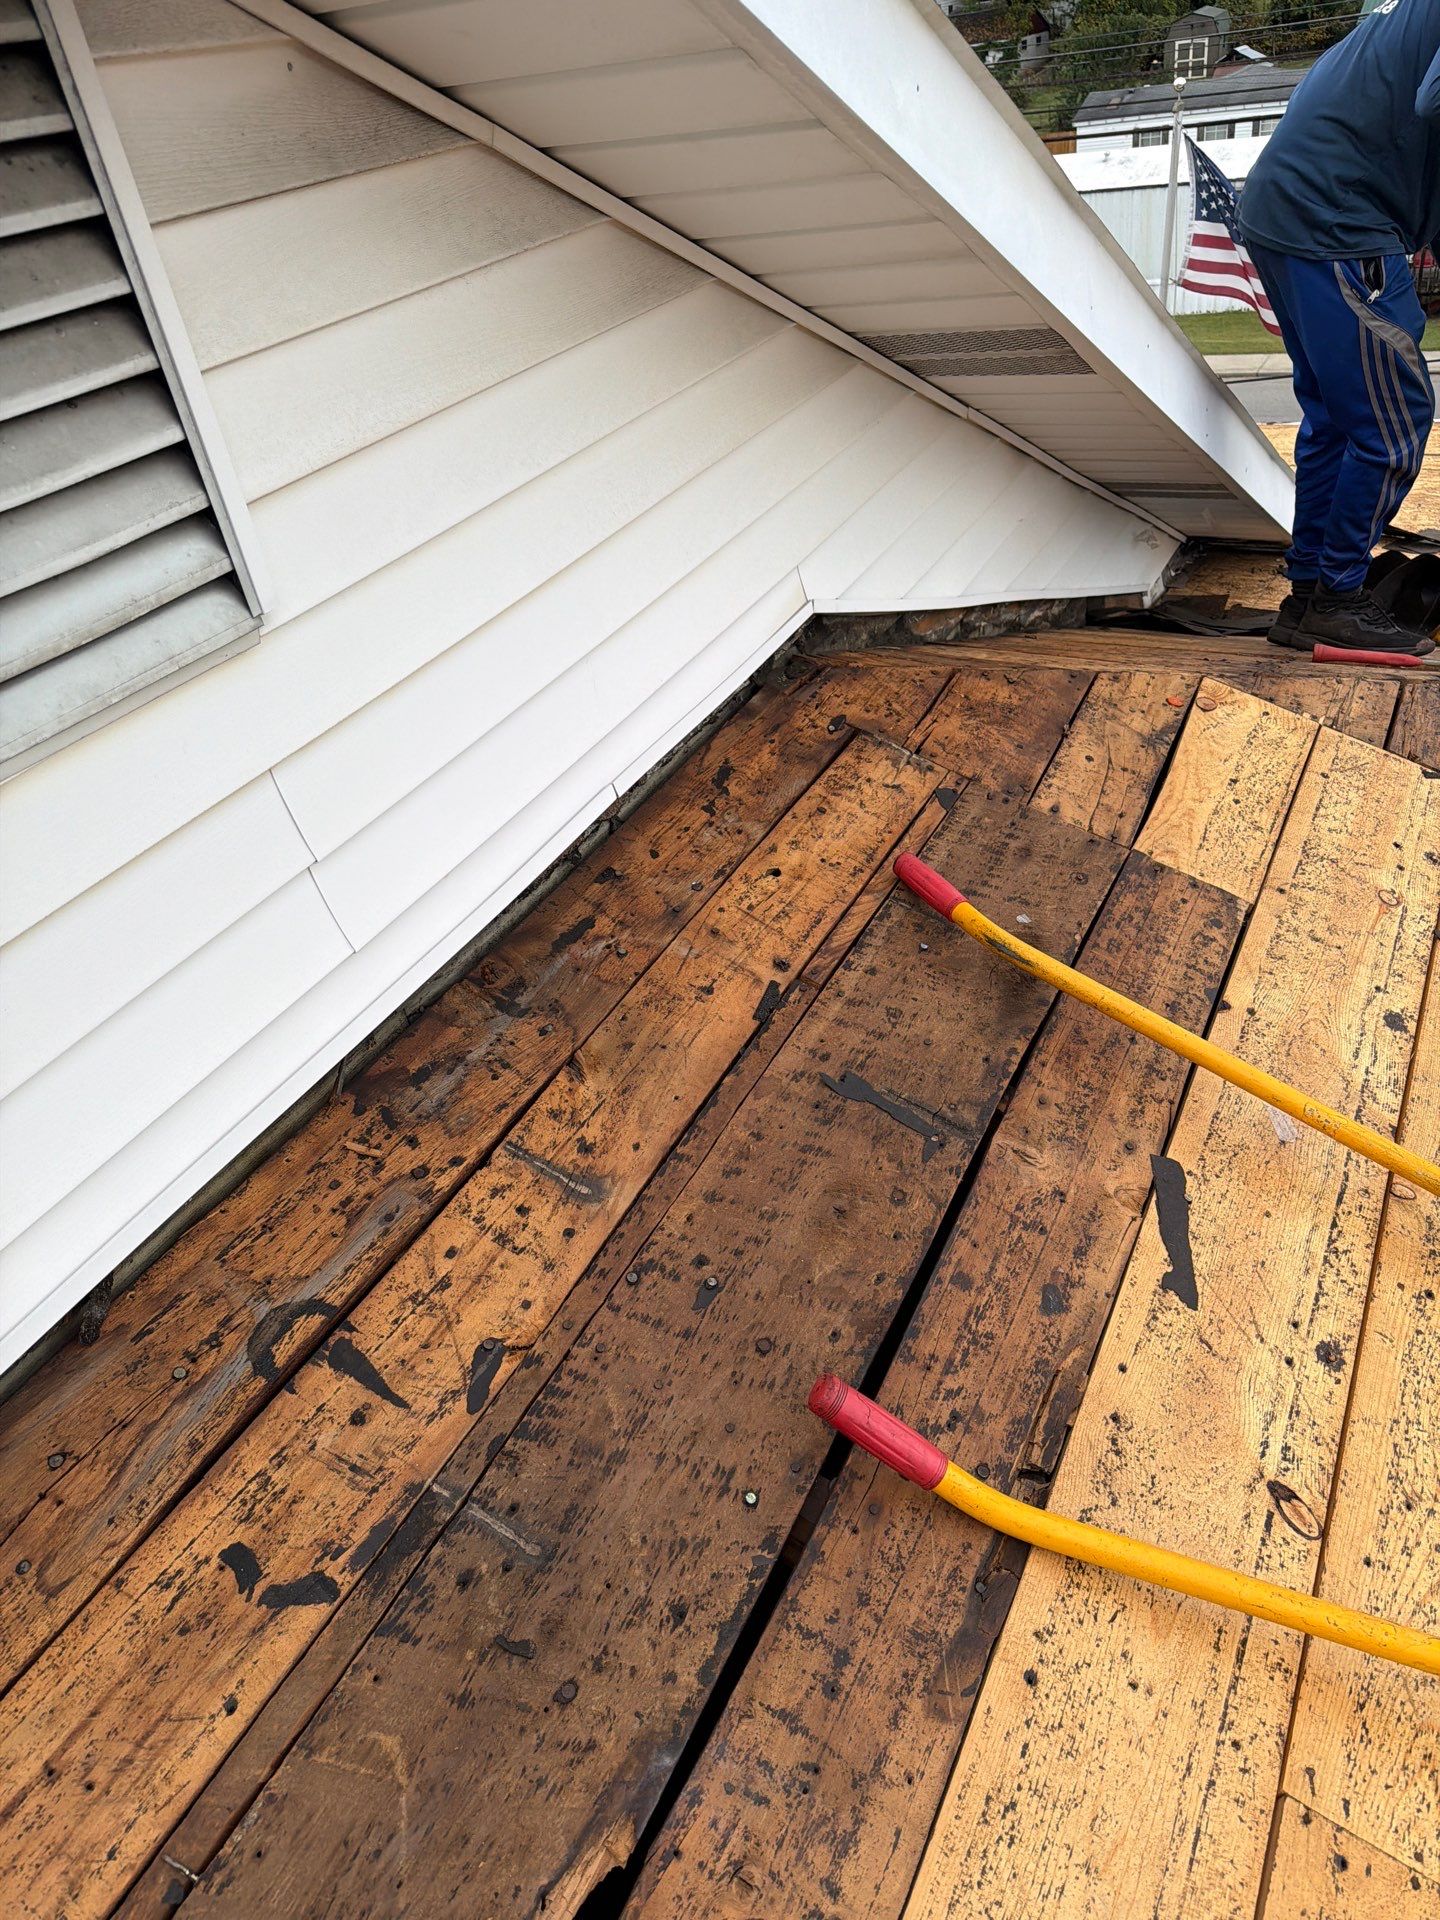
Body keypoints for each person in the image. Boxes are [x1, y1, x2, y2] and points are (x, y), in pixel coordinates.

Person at [1238, 0, 1440, 656]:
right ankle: (1339, 598)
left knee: (1335, 418)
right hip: (1337, 216)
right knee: (1395, 422)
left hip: (1287, 205)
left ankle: (1307, 598)